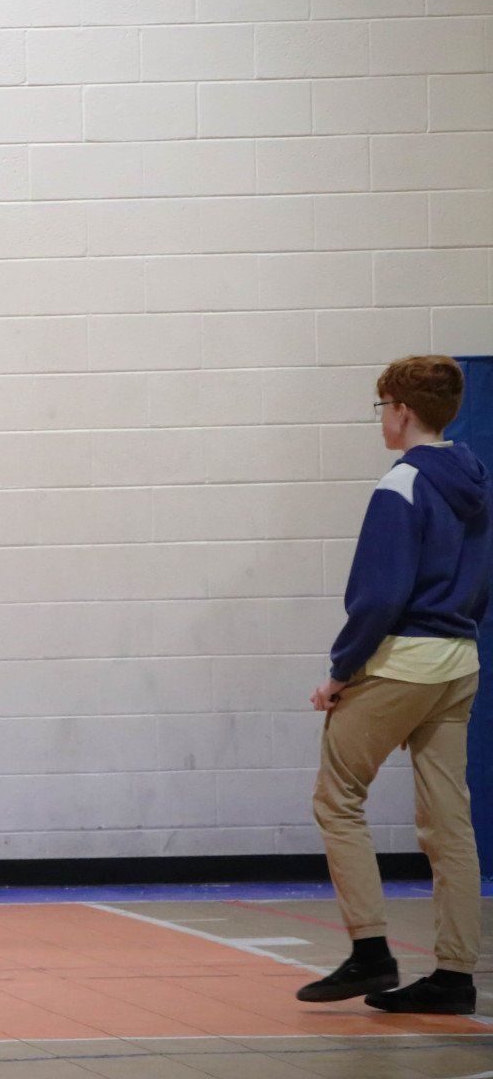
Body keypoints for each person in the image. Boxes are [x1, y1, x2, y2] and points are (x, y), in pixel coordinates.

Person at [297, 355, 488, 1015]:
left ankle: (371, 954)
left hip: (401, 662)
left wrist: (340, 673)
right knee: (450, 824)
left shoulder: (402, 483)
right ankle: (455, 977)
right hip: (460, 659)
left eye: (382, 407)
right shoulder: (477, 479)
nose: (382, 418)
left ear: (401, 410)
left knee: (338, 797)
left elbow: (379, 595)